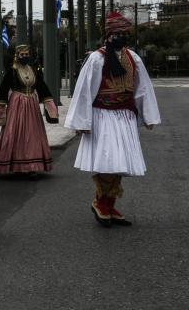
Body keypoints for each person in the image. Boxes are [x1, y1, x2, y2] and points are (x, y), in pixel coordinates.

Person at [65, 12, 160, 227]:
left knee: (119, 163)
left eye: (124, 33)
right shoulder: (96, 59)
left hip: (125, 116)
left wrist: (148, 115)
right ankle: (100, 203)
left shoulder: (133, 58)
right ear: (108, 35)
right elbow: (84, 91)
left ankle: (108, 203)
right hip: (103, 116)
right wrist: (82, 122)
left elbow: (142, 88)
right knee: (109, 161)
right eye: (117, 33)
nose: (121, 36)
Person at [0, 45, 57, 176]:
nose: (25, 57)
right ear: (17, 56)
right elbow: (3, 90)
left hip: (32, 104)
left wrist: (50, 106)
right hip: (17, 104)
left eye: (27, 54)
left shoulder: (34, 70)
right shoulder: (12, 71)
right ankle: (16, 164)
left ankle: (32, 166)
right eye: (22, 55)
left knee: (32, 133)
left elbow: (42, 87)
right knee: (15, 132)